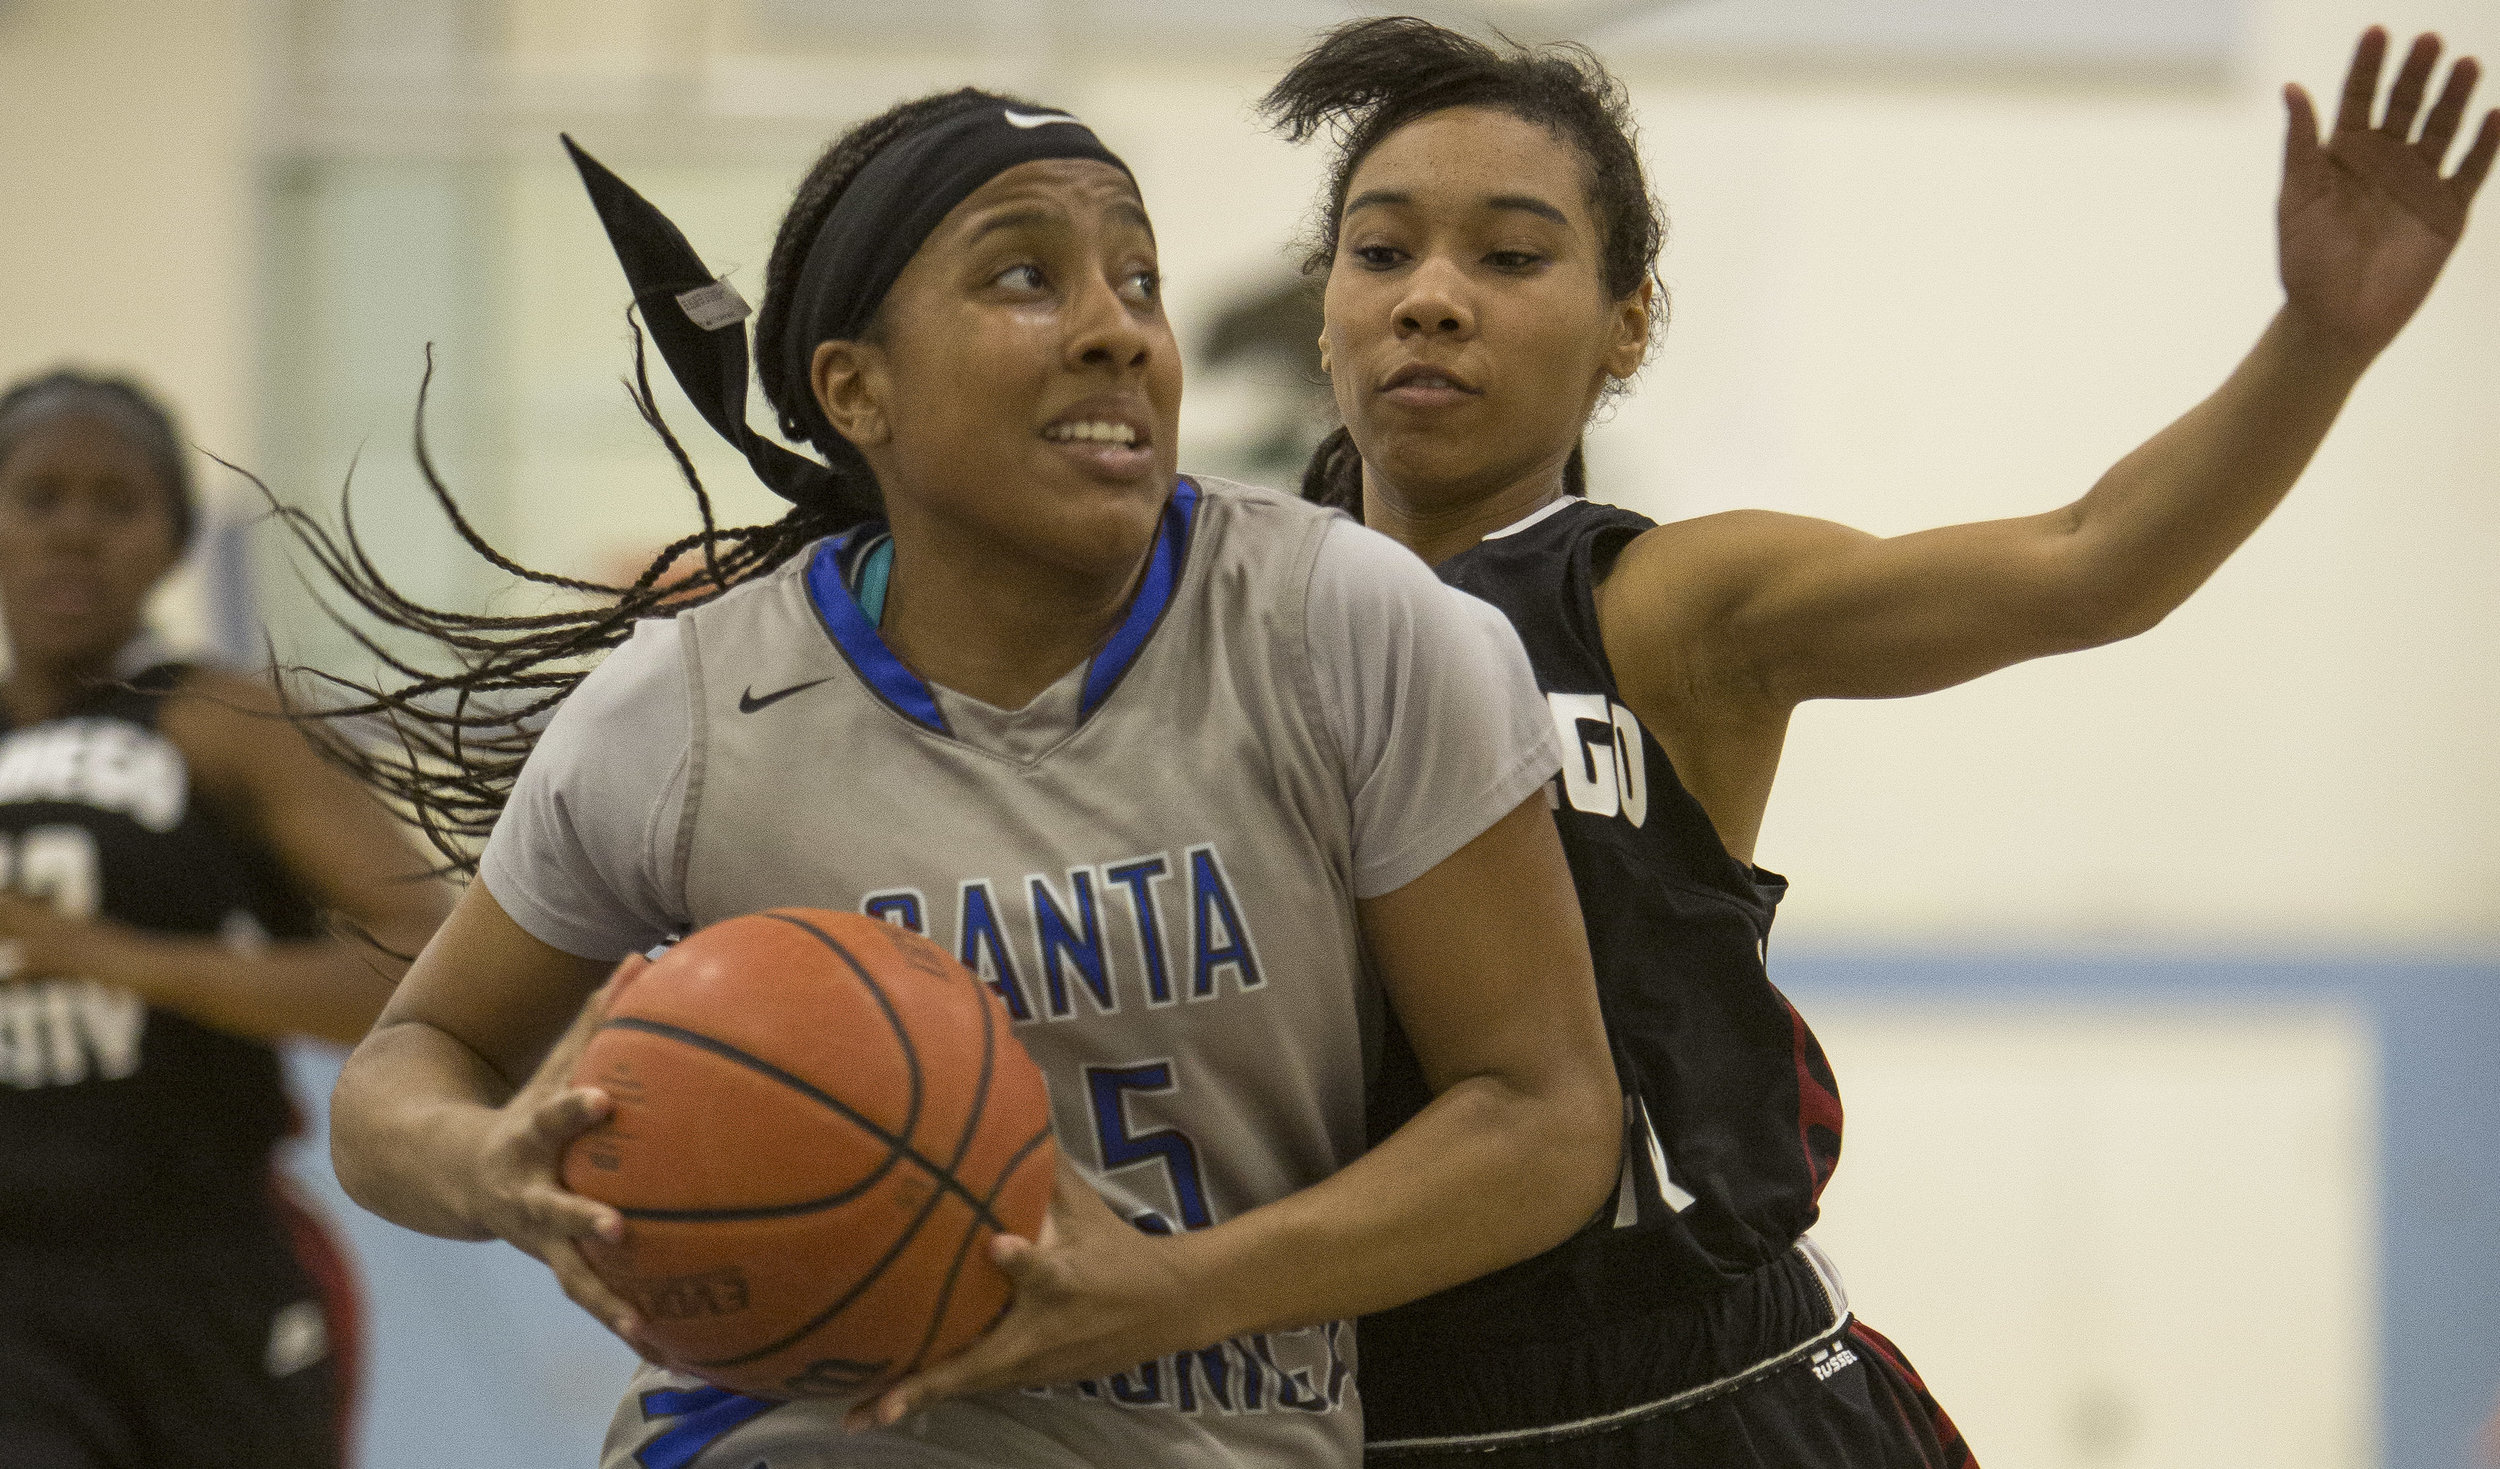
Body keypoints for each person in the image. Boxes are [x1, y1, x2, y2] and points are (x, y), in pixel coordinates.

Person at [309, 91, 1623, 1468]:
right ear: (854, 388)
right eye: (1022, 277)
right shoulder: (688, 709)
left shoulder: (1343, 624)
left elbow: (1541, 1115)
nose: (1117, 327)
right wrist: (495, 1168)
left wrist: (1177, 1292)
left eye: (1139, 279)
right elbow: (402, 1072)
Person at [1265, 18, 2493, 1468]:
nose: (1433, 300)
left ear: (1629, 322)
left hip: (1708, 1406)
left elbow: (2090, 562)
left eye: (1513, 257)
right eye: (1383, 251)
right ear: (1325, 300)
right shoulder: (1237, 632)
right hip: (1362, 1415)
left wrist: (2320, 341)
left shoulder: (1669, 607)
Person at [0, 370, 451, 1469]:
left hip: (205, 1268)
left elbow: (421, 966)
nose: (75, 532)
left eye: (118, 503)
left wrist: (103, 954)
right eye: (39, 497)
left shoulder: (222, 715)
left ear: (172, 541)